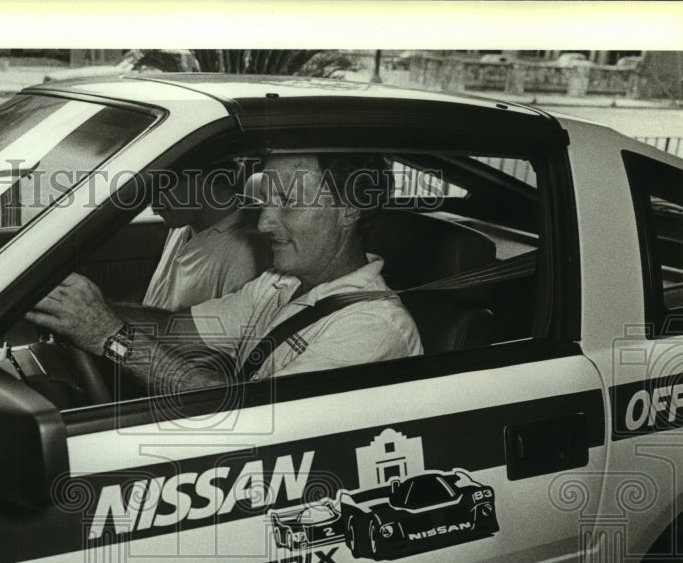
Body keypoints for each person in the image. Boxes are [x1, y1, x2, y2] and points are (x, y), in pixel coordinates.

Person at [27, 153, 422, 396]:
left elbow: (250, 412)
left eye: (287, 203)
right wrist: (74, 308)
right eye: (265, 201)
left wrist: (110, 337)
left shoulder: (372, 328)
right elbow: (174, 327)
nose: (265, 223)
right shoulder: (280, 283)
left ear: (350, 209)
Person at [141, 164, 267, 310]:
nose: (153, 203)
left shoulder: (245, 254)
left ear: (213, 177)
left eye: (163, 186)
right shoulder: (182, 226)